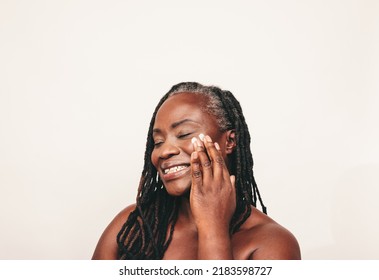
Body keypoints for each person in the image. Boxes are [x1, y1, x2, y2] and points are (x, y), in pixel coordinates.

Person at [92, 82, 301, 260]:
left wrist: (213, 228)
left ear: (230, 141)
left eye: (184, 134)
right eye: (158, 141)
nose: (164, 151)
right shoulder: (133, 226)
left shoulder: (271, 243)